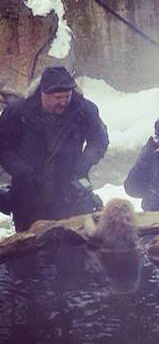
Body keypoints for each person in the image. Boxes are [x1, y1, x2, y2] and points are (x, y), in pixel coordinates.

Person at [0, 66, 109, 231]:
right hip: (29, 193)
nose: (63, 102)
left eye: (67, 96)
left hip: (69, 189)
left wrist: (83, 165)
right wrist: (21, 170)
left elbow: (99, 140)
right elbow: (3, 146)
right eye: (57, 97)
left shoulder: (83, 110)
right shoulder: (18, 112)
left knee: (73, 242)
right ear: (43, 93)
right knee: (30, 243)